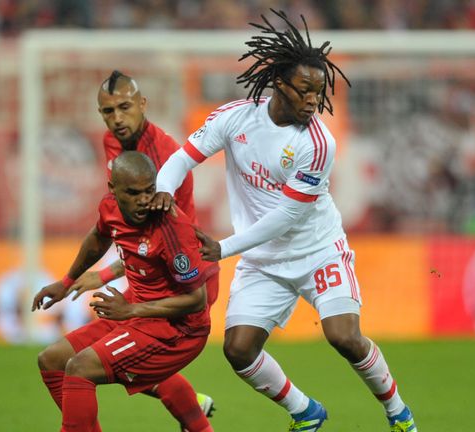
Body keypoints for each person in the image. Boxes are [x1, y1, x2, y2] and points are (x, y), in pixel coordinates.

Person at [150, 10, 417, 432]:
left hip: (316, 250)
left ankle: (399, 413)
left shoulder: (317, 143)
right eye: (305, 90)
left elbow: (287, 215)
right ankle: (305, 411)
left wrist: (223, 248)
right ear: (279, 82)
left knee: (344, 337)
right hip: (263, 261)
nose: (314, 100)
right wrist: (164, 188)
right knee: (238, 351)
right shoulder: (235, 118)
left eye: (319, 92)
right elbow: (181, 159)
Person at [65, 70, 216, 430]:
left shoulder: (165, 158)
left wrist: (104, 275)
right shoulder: (113, 145)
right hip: (149, 275)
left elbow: (163, 241)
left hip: (179, 276)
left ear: (142, 104)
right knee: (104, 355)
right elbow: (128, 233)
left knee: (101, 359)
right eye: (108, 111)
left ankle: (192, 407)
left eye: (124, 107)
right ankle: (194, 409)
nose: (117, 118)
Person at [33, 151, 218, 432]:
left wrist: (129, 310)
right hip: (138, 312)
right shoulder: (110, 208)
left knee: (81, 368)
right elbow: (99, 237)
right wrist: (66, 281)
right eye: (133, 192)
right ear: (113, 189)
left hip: (178, 331)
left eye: (149, 191)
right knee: (52, 360)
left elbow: (196, 300)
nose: (144, 199)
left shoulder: (171, 227)